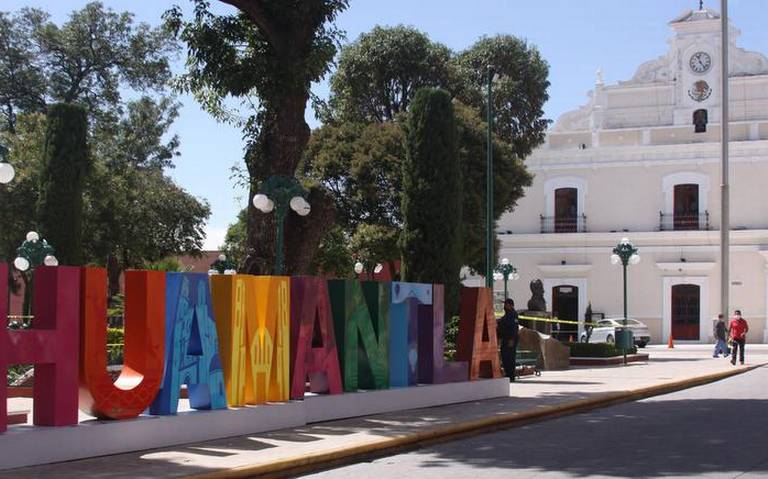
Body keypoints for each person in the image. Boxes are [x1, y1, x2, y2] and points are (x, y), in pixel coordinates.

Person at [497, 298, 520, 382]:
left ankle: (511, 376)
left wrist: (512, 339)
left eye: (506, 304)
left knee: (510, 357)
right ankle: (508, 374)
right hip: (505, 339)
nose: (504, 306)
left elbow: (514, 328)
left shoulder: (513, 314)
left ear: (511, 305)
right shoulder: (507, 315)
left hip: (510, 340)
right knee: (505, 357)